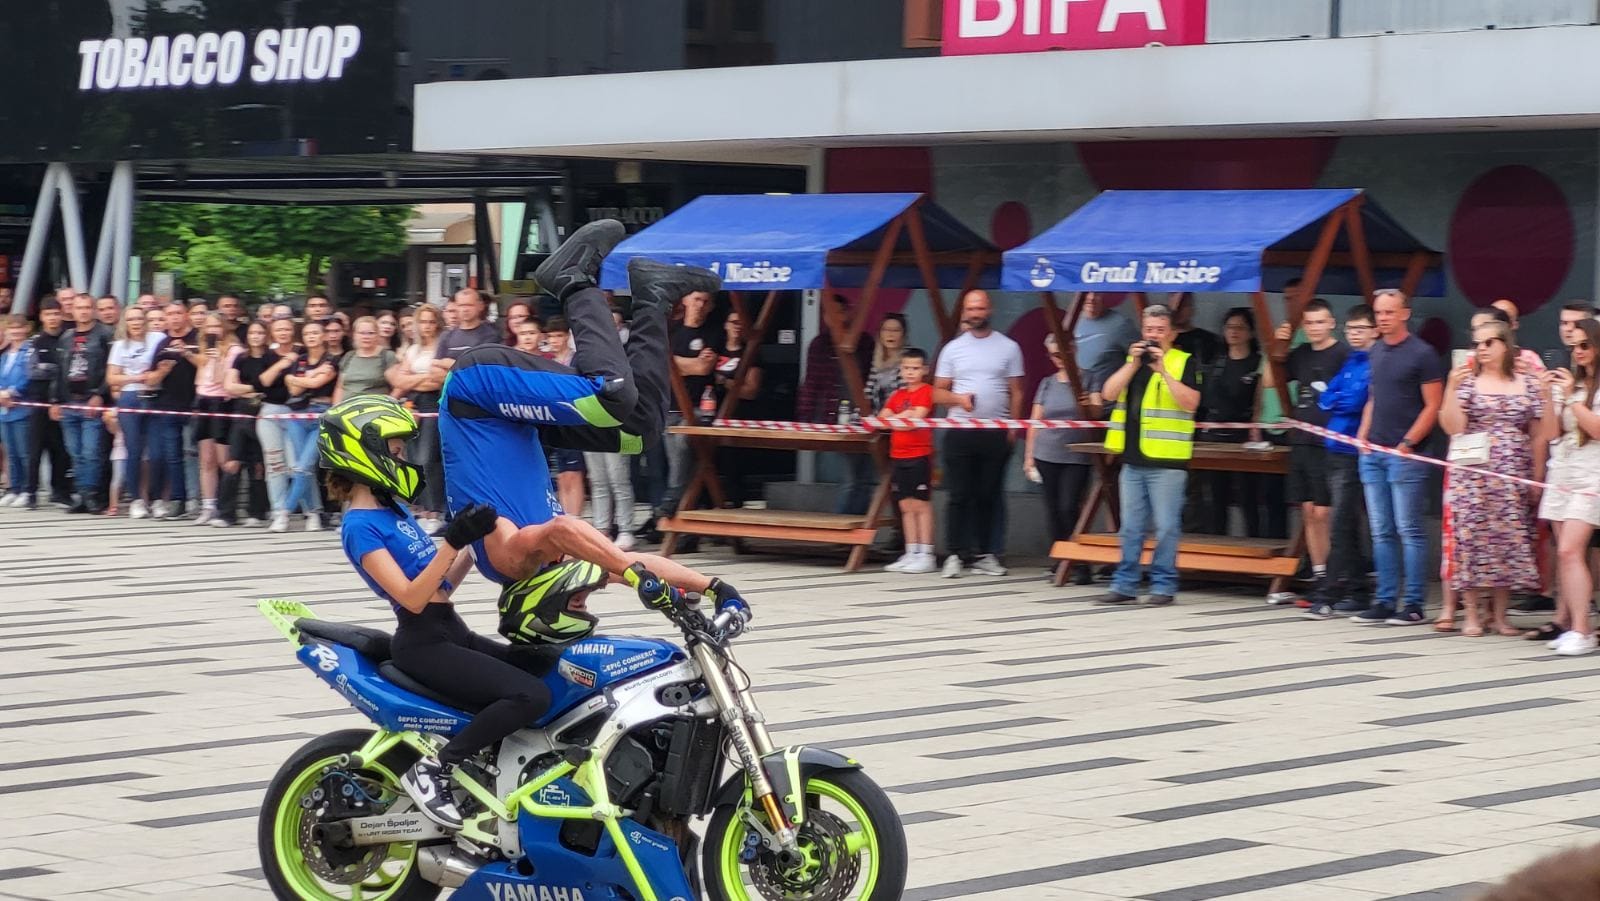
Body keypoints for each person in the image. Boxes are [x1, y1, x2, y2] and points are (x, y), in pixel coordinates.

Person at [438, 221, 737, 615]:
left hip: (478, 393)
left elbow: (567, 530)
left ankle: (572, 280)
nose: (584, 600)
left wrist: (632, 575)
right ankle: (654, 296)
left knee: (610, 394)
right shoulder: (562, 562)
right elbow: (630, 562)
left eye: (575, 606)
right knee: (640, 431)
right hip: (518, 423)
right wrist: (714, 588)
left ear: (539, 602)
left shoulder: (513, 563)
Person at [322, 395, 544, 827]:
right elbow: (411, 597)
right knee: (530, 695)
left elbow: (441, 583)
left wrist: (475, 539)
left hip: (450, 629)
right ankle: (434, 770)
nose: (403, 458)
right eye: (395, 450)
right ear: (362, 453)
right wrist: (453, 542)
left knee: (543, 666)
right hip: (422, 642)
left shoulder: (395, 512)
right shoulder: (359, 526)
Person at [1436, 320, 1545, 637]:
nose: (1481, 349)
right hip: (1473, 473)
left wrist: (1537, 475)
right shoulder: (1468, 382)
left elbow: (1539, 433)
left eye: (1488, 343)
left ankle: (1499, 614)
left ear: (1506, 345)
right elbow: (1453, 426)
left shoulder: (1526, 382)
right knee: (1471, 538)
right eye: (1477, 343)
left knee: (1508, 539)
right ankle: (1471, 612)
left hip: (1513, 472)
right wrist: (1451, 389)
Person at [1095, 304, 1202, 606]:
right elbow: (1108, 393)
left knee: (1166, 527)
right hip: (1132, 460)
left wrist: (1163, 371)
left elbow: (1191, 403)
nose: (1153, 336)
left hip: (1167, 461)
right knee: (1130, 527)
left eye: (1160, 330)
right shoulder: (1132, 362)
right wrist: (1132, 365)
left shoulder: (1184, 362)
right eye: (1149, 330)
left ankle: (1163, 586)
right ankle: (1125, 584)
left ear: (1172, 333)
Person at [1353, 289, 1445, 626]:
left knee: (1409, 528)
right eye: (1379, 313)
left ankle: (1414, 602)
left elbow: (1433, 405)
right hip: (1374, 452)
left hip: (1408, 454)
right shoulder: (1376, 349)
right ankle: (1385, 599)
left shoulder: (1423, 353)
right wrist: (1362, 435)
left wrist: (1408, 443)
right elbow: (1374, 398)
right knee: (1381, 530)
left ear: (1405, 313)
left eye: (1389, 312)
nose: (1383, 318)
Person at [933, 290, 1024, 578]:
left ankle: (986, 554)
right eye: (971, 309)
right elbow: (937, 392)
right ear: (964, 312)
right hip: (960, 430)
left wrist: (1013, 427)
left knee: (988, 494)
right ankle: (955, 554)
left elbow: (1017, 391)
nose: (975, 314)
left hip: (995, 431)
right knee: (959, 495)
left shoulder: (1009, 347)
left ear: (990, 310)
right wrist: (959, 400)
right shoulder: (952, 349)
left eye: (980, 308)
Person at [1273, 299, 1349, 605]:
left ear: (1332, 323)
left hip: (1329, 442)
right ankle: (1319, 575)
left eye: (1320, 322)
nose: (1315, 328)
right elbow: (1271, 379)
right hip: (1301, 439)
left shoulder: (1343, 354)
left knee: (1324, 512)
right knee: (1307, 511)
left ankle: (1336, 577)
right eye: (1310, 323)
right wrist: (1279, 342)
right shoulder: (1300, 353)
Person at [1304, 305, 1377, 620]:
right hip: (1334, 447)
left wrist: (1337, 400)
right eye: (1350, 329)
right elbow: (1327, 397)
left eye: (1360, 328)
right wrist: (1337, 399)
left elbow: (1353, 400)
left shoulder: (1374, 362)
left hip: (1353, 451)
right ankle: (1358, 590)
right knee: (1346, 525)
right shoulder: (1352, 360)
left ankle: (1328, 595)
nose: (1354, 334)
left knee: (1341, 524)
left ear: (1374, 330)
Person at [1536, 319, 1600, 656]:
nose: (1578, 352)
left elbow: (1597, 430)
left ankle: (1582, 629)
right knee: (1566, 553)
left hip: (1593, 474)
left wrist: (1573, 401)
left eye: (1585, 345)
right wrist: (1549, 396)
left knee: (1569, 550)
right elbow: (1551, 434)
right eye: (1574, 347)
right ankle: (1577, 626)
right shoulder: (1573, 384)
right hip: (1563, 471)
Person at [1024, 334, 1095, 584]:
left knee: (1069, 506)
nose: (1059, 359)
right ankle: (1061, 558)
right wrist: (1029, 457)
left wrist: (1090, 404)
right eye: (1054, 355)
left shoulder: (1089, 378)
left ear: (1073, 349)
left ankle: (1081, 562)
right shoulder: (1047, 383)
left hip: (1076, 453)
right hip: (1047, 452)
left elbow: (1098, 410)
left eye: (1062, 352)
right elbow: (1035, 421)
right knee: (1053, 509)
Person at [655, 285, 723, 530]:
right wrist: (686, 364)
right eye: (696, 299)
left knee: (684, 445)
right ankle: (686, 525)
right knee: (680, 463)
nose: (700, 305)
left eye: (705, 301)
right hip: (669, 407)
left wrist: (675, 364)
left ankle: (672, 500)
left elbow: (703, 369)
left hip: (698, 409)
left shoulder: (714, 333)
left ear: (711, 306)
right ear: (685, 300)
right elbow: (659, 364)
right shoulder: (672, 330)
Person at [1198, 308, 1272, 537]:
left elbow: (1260, 400)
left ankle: (1254, 540)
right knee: (1216, 495)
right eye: (1230, 327)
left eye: (1240, 327)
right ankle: (1216, 543)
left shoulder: (1257, 363)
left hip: (1244, 436)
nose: (1234, 332)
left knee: (1248, 495)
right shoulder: (1216, 363)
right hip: (1215, 436)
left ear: (1251, 332)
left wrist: (1254, 426)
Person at [213, 321, 286, 527]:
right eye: (252, 333)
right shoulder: (241, 358)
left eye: (260, 332)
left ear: (266, 335)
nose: (256, 336)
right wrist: (254, 389)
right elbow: (230, 386)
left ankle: (257, 511)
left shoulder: (272, 358)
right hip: (242, 412)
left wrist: (246, 389)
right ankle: (226, 513)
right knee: (233, 461)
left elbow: (270, 387)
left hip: (264, 412)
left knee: (258, 463)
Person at [54, 293, 115, 513]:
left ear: (93, 310)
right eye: (79, 308)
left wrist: (100, 394)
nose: (83, 311)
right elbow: (59, 371)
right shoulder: (66, 337)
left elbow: (111, 368)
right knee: (75, 452)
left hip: (92, 402)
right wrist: (55, 400)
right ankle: (80, 494)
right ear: (72, 310)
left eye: (87, 307)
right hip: (69, 402)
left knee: (91, 452)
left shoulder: (105, 334)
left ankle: (91, 494)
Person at [388, 305, 446, 532]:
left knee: (427, 457)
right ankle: (422, 509)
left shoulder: (442, 347)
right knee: (412, 458)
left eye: (431, 321)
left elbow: (438, 380)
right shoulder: (413, 349)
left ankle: (435, 510)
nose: (427, 326)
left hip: (434, 402)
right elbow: (399, 381)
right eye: (422, 322)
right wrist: (421, 379)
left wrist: (414, 379)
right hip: (413, 404)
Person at [584, 309, 638, 549]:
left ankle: (626, 529)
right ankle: (601, 529)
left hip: (619, 423)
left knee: (619, 478)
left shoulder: (628, 355)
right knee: (597, 480)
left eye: (614, 324)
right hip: (591, 420)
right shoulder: (588, 353)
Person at [143, 302, 202, 519]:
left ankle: (197, 498)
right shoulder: (162, 343)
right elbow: (151, 379)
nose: (174, 317)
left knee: (193, 454)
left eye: (178, 313)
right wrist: (161, 372)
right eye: (169, 314)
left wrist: (187, 353)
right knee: (173, 455)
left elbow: (210, 366)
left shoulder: (199, 338)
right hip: (168, 405)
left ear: (186, 315)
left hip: (197, 405)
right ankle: (179, 499)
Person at [881, 348, 937, 574]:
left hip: (919, 455)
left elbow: (915, 420)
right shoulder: (897, 395)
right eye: (906, 368)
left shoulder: (926, 391)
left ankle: (926, 553)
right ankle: (911, 551)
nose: (910, 372)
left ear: (924, 370)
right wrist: (902, 417)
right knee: (905, 505)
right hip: (898, 455)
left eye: (915, 368)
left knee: (921, 504)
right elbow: (882, 418)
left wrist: (899, 419)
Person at [105, 306, 161, 519]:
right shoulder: (120, 345)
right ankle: (136, 500)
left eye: (139, 318)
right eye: (131, 319)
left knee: (156, 451)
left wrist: (155, 375)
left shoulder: (157, 338)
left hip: (154, 396)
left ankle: (156, 499)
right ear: (125, 323)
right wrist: (136, 378)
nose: (136, 323)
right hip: (130, 396)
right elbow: (112, 377)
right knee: (133, 449)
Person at [282, 320, 337, 531]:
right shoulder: (301, 359)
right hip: (297, 415)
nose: (311, 337)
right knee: (301, 468)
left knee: (305, 465)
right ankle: (313, 512)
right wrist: (310, 374)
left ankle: (284, 511)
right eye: (307, 334)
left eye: (315, 333)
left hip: (320, 414)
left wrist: (294, 378)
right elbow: (294, 391)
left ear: (323, 336)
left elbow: (316, 384)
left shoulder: (331, 360)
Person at [190, 313, 241, 525]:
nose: (212, 330)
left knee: (224, 460)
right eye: (208, 326)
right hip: (203, 401)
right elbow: (200, 381)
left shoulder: (234, 350)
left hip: (222, 402)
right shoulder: (203, 349)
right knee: (206, 459)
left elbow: (223, 381)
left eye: (217, 326)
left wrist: (217, 359)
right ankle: (208, 505)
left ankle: (227, 507)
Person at [23, 298, 71, 509]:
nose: (52, 318)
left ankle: (59, 492)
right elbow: (32, 371)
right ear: (42, 317)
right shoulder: (35, 342)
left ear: (61, 315)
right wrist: (56, 369)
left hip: (62, 401)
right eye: (48, 314)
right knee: (35, 449)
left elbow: (70, 370)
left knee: (60, 450)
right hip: (39, 402)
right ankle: (30, 492)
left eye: (56, 313)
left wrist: (52, 369)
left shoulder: (68, 338)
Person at [712, 306, 762, 506]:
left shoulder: (750, 353)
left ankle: (736, 504)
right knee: (708, 461)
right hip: (711, 413)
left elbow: (751, 390)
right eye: (733, 322)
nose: (737, 326)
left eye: (741, 323)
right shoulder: (715, 349)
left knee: (733, 464)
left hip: (738, 415)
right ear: (725, 325)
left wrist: (725, 382)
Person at [540, 317, 588, 519]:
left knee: (574, 473)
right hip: (556, 422)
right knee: (561, 475)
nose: (554, 341)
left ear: (567, 336)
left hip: (574, 421)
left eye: (558, 336)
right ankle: (565, 518)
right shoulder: (547, 362)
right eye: (551, 336)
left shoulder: (577, 360)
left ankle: (575, 518)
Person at [1073, 292, 1138, 400]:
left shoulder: (1120, 324)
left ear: (1103, 294)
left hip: (1109, 400)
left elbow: (1139, 358)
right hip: (1076, 398)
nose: (1091, 298)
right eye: (1086, 292)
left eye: (1096, 293)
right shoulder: (1071, 322)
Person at [0, 315, 34, 506]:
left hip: (22, 408)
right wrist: (1, 394)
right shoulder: (5, 355)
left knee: (24, 452)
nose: (15, 332)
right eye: (11, 328)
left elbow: (28, 377)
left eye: (19, 328)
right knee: (11, 452)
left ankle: (28, 490)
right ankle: (15, 488)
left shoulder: (29, 351)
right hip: (5, 411)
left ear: (26, 329)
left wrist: (12, 392)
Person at [333, 316, 397, 401]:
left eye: (371, 333)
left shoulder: (387, 356)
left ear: (378, 335)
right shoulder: (349, 356)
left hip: (374, 405)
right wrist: (337, 406)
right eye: (362, 333)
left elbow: (398, 387)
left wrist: (388, 402)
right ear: (354, 335)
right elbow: (339, 387)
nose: (366, 337)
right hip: (347, 405)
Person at [1170, 292, 1223, 367]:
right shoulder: (1163, 339)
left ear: (1192, 309)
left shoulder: (1208, 339)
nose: (1179, 310)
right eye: (1177, 307)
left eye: (1184, 306)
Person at [868, 314, 908, 412]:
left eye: (896, 330)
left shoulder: (908, 358)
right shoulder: (876, 357)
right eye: (886, 330)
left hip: (899, 414)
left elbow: (905, 393)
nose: (890, 334)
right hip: (876, 414)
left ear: (903, 334)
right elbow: (868, 391)